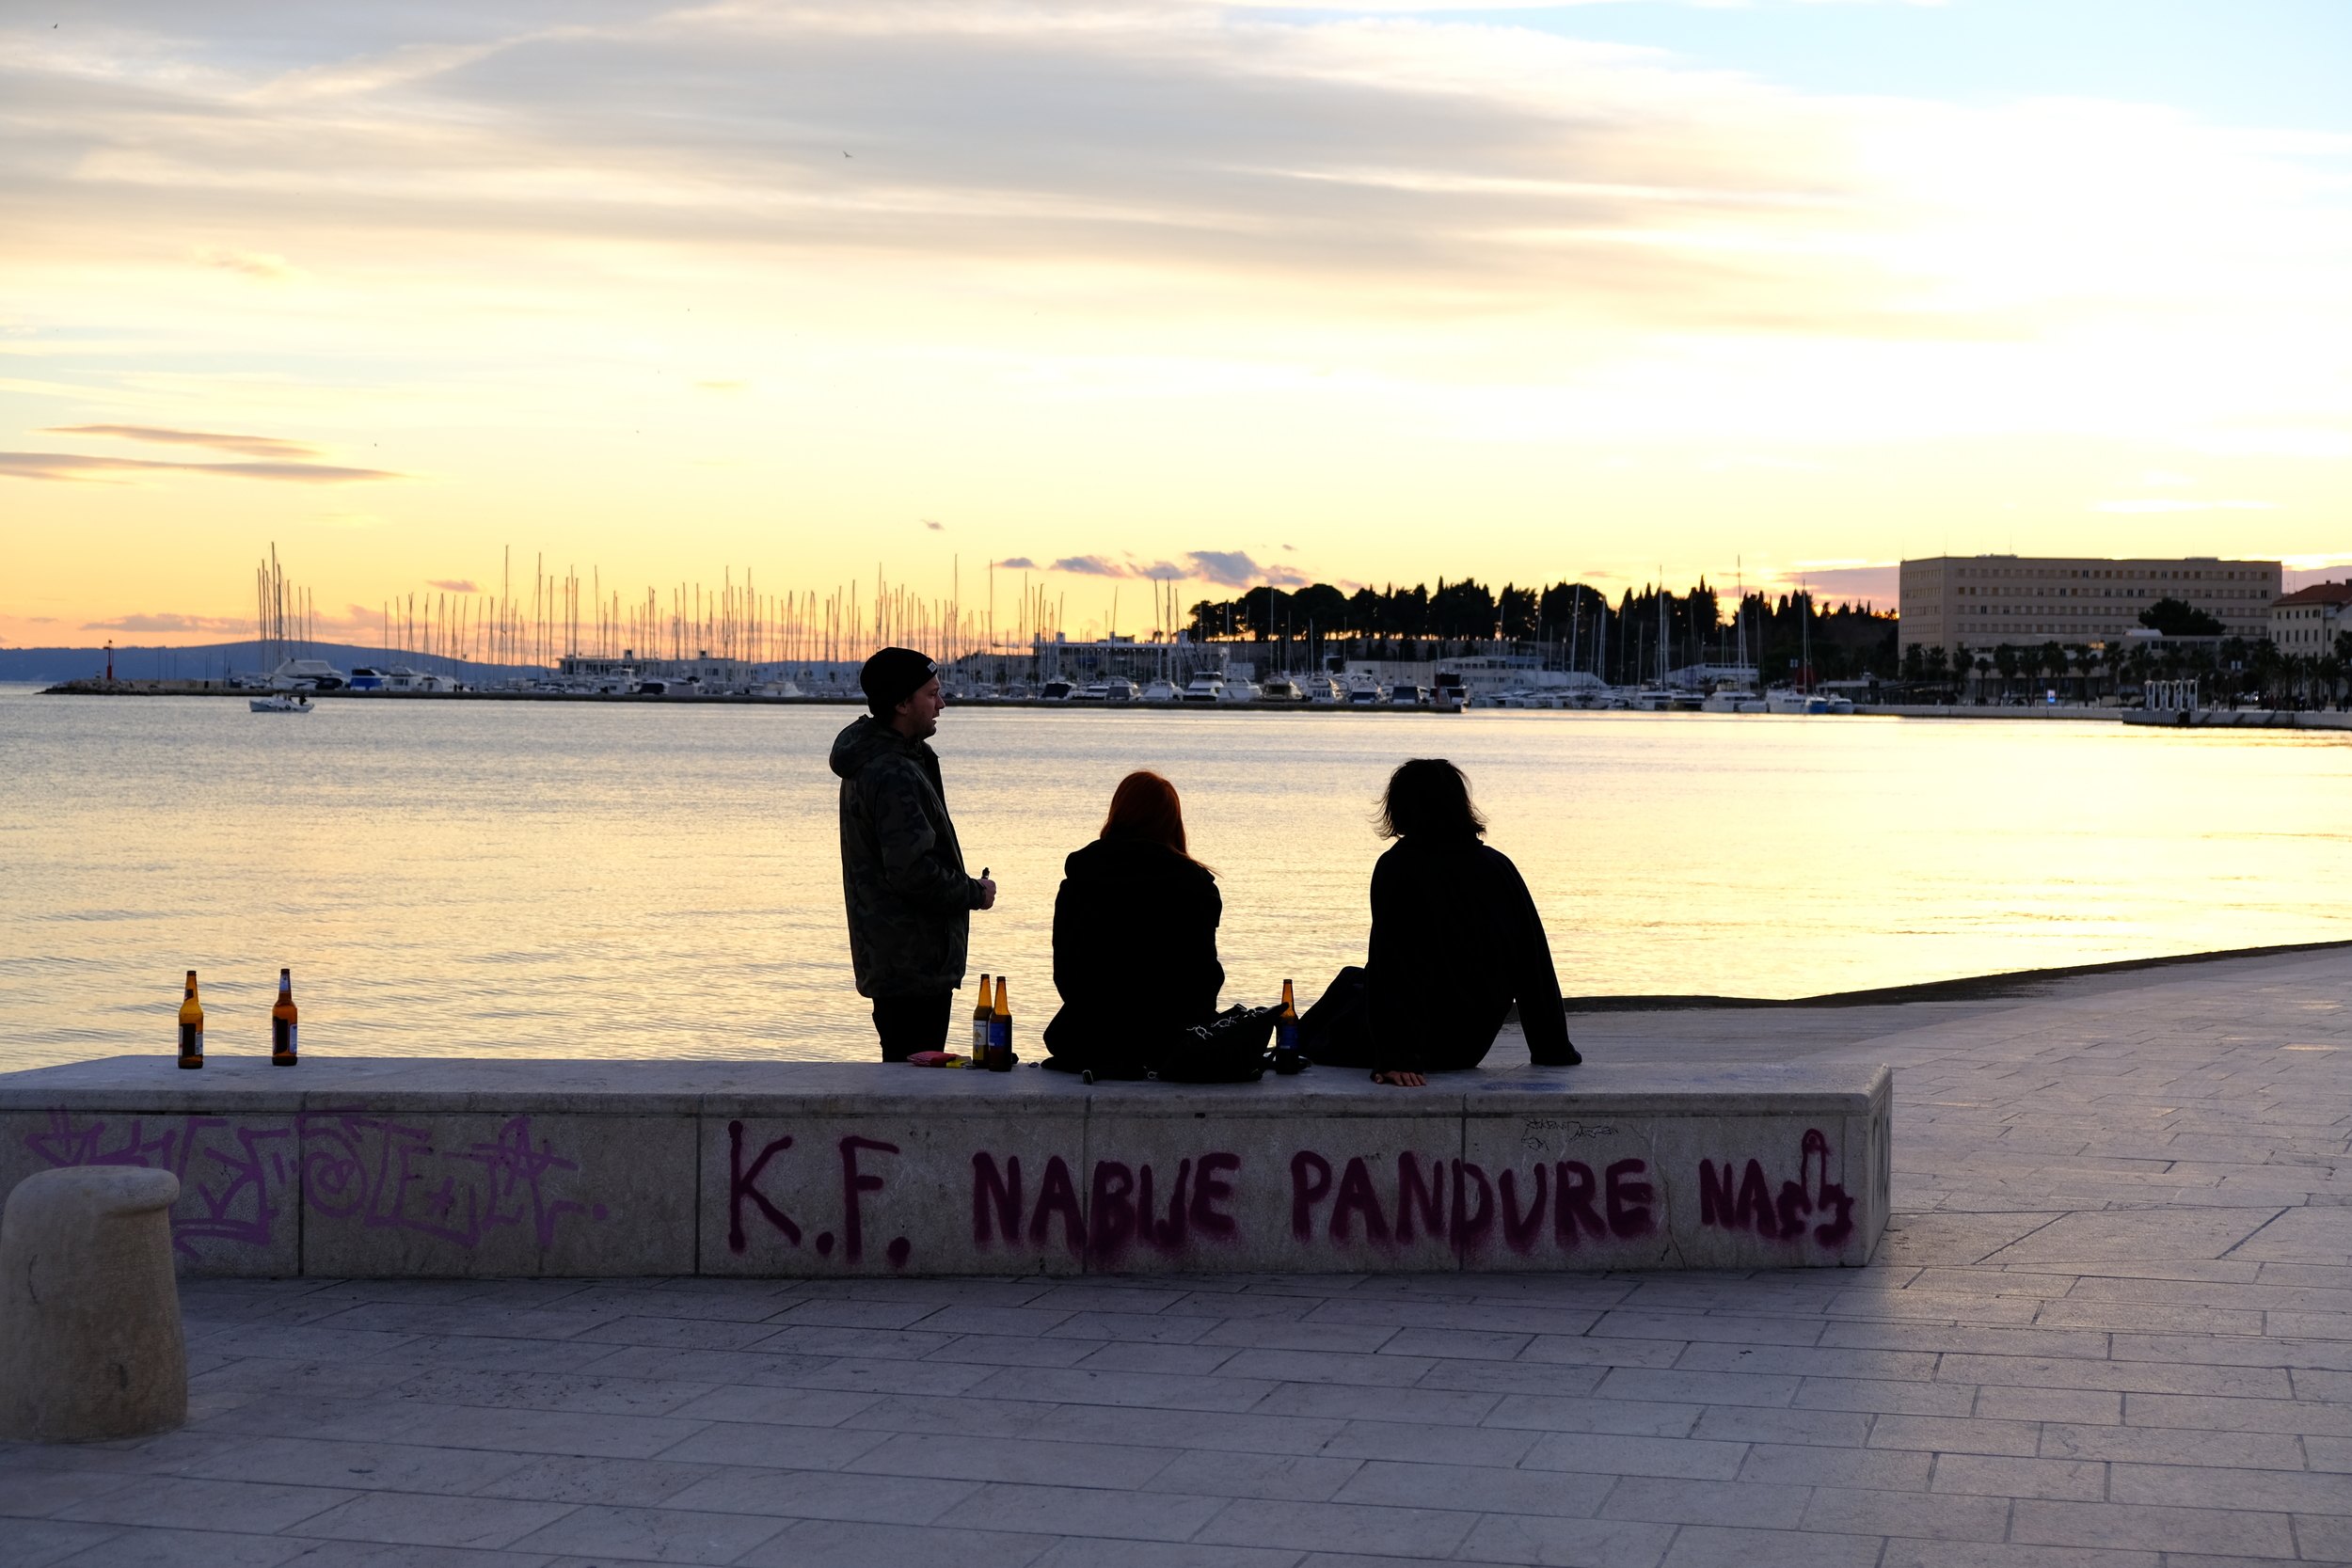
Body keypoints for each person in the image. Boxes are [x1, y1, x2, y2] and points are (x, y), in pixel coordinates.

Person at [1306, 757, 1581, 1086]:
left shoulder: (1397, 867)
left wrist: (1399, 1057)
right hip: (1469, 1044)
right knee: (1351, 982)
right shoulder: (1498, 867)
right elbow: (1532, 964)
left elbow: (1397, 965)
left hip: (1425, 1050)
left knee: (1320, 1026)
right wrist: (1552, 1047)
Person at [830, 647, 997, 1061]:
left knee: (907, 1073)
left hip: (901, 962)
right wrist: (974, 892)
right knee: (913, 1083)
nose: (941, 704)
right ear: (902, 704)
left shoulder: (892, 760)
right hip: (911, 966)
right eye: (932, 694)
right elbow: (912, 872)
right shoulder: (891, 771)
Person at [1041, 771, 1224, 1078]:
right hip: (1171, 1045)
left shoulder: (1080, 883)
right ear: (1172, 822)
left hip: (1090, 1041)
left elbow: (1067, 976)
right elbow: (1203, 980)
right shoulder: (1196, 887)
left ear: (1118, 814)